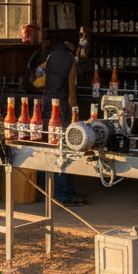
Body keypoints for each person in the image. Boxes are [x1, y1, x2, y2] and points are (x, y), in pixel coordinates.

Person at [36, 37, 83, 205]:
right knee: (63, 149)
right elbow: (71, 86)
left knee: (45, 145)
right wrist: (74, 111)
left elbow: (37, 74)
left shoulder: (50, 56)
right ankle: (64, 194)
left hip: (47, 103)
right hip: (61, 106)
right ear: (69, 43)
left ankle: (42, 190)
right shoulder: (68, 58)